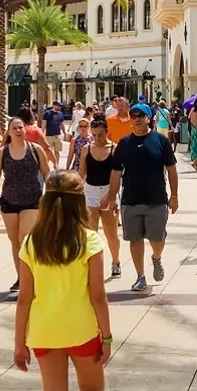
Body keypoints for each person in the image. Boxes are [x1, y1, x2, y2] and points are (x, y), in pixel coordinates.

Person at [14, 171, 112, 391]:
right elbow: (98, 295)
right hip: (81, 329)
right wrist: (106, 337)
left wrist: (19, 343)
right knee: (93, 390)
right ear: (79, 201)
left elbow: (24, 298)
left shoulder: (32, 243)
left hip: (44, 332)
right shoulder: (89, 240)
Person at [102, 102, 179, 291]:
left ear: (149, 119)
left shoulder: (161, 141)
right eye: (133, 116)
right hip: (130, 199)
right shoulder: (124, 144)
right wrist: (112, 199)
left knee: (157, 239)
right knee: (135, 239)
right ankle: (140, 276)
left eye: (140, 116)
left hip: (157, 199)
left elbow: (171, 169)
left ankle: (156, 257)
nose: (136, 119)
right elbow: (115, 173)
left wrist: (175, 196)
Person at [0, 117, 48, 296]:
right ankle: (21, 277)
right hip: (9, 200)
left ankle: (32, 276)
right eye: (14, 128)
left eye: (21, 127)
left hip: (32, 200)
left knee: (25, 239)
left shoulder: (35, 150)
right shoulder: (2, 152)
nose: (18, 131)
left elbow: (47, 173)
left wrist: (53, 196)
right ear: (8, 132)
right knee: (15, 241)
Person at [78, 117, 121, 278]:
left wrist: (112, 197)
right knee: (91, 233)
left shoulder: (115, 149)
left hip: (108, 193)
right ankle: (93, 266)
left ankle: (116, 262)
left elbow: (117, 175)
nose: (97, 138)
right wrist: (74, 192)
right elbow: (81, 173)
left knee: (111, 234)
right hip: (90, 193)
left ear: (107, 132)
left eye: (100, 135)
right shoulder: (86, 149)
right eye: (94, 135)